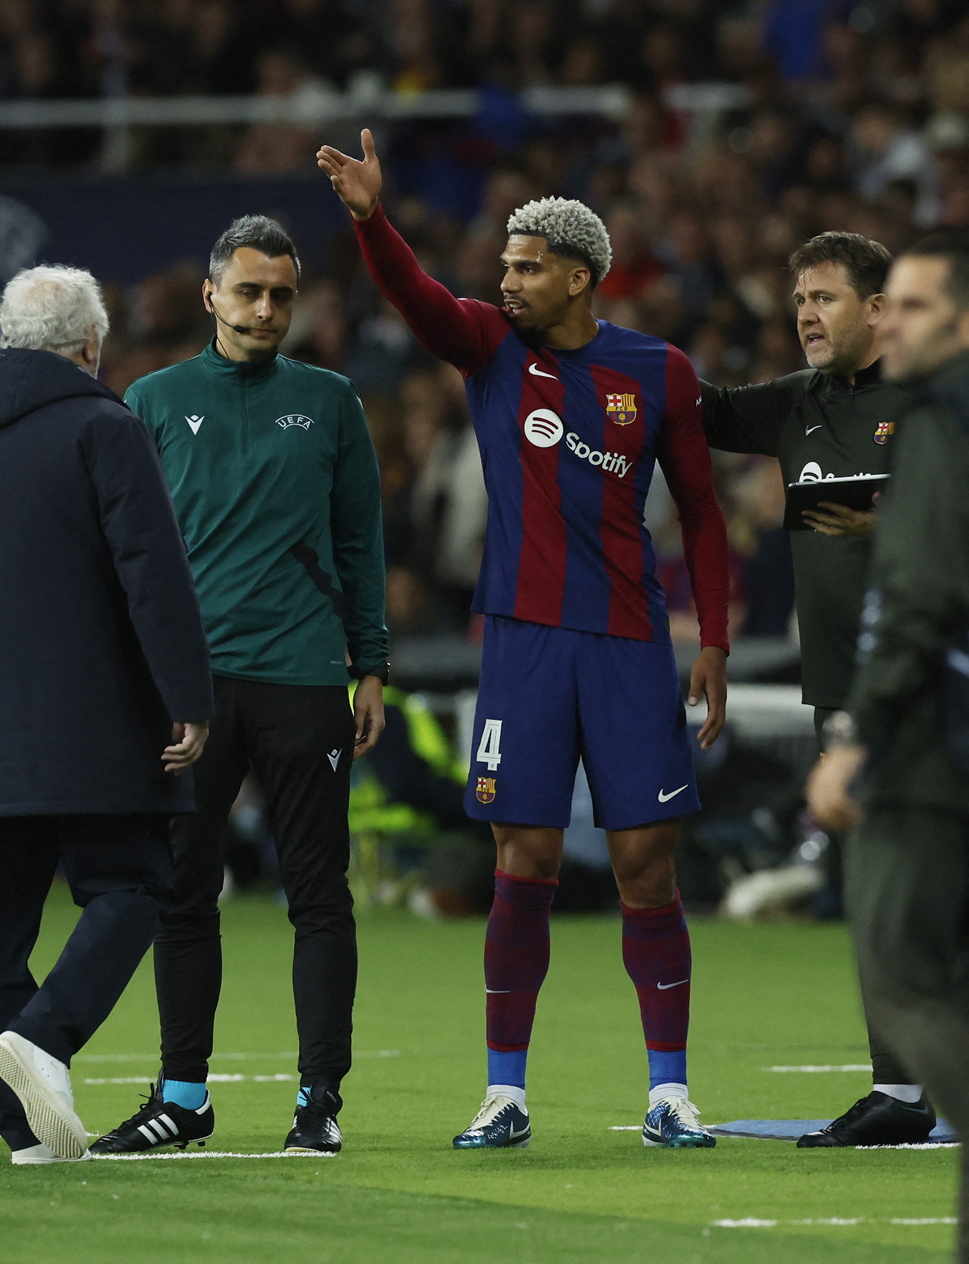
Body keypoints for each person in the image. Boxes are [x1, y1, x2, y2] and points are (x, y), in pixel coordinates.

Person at [320, 129, 731, 1150]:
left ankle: (670, 1092)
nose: (505, 282)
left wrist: (715, 641)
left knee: (645, 863)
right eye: (503, 266)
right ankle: (503, 1093)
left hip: (629, 642)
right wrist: (373, 220)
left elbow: (704, 513)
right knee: (525, 857)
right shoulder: (492, 347)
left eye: (526, 268)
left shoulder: (659, 371)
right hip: (524, 644)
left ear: (579, 277)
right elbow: (417, 298)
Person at [91, 215, 389, 1157]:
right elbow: (124, 552)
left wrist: (372, 665)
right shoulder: (152, 400)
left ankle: (319, 1101)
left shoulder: (331, 401)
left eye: (282, 295)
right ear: (212, 294)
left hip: (305, 676)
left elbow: (361, 541)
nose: (266, 309)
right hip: (192, 688)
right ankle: (184, 1097)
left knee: (319, 896)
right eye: (250, 291)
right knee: (183, 893)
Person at [0, 265, 215, 1165]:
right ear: (90, 344)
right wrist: (187, 697)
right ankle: (45, 1037)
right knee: (135, 887)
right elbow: (152, 572)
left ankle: (27, 1137)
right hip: (95, 728)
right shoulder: (103, 428)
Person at [701, 232, 932, 1147]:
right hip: (845, 694)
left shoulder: (933, 405)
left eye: (825, 297)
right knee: (878, 889)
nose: (806, 313)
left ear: (877, 309)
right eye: (799, 298)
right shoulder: (797, 404)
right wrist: (595, 341)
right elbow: (701, 409)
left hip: (934, 684)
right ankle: (902, 1091)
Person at [808, 229, 969, 1261]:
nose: (891, 325)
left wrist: (855, 735)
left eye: (914, 307)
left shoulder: (937, 426)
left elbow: (914, 601)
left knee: (900, 967)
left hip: (931, 750)